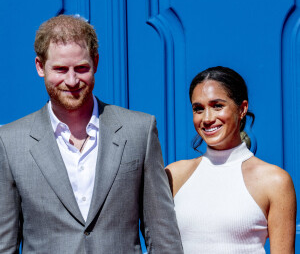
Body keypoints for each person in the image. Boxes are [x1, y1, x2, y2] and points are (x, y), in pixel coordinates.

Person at [0, 15, 183, 253]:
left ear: (96, 63)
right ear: (39, 66)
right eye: (60, 69)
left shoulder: (139, 130)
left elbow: (162, 234)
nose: (72, 80)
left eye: (82, 68)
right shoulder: (10, 141)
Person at [166, 66, 296, 253]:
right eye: (198, 109)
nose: (207, 118)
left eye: (217, 106)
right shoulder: (175, 174)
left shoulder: (275, 181)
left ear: (242, 109)